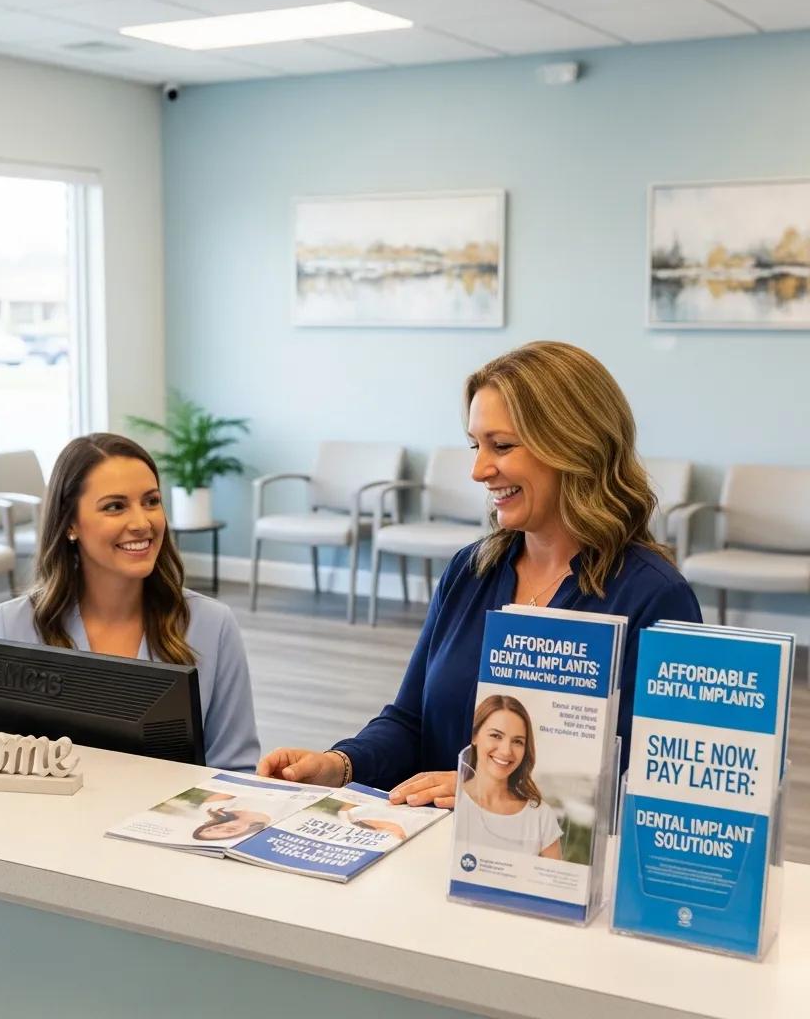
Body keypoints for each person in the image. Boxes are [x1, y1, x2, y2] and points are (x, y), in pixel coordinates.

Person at [258, 341, 702, 805]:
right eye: (475, 445)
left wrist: (489, 791)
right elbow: (411, 721)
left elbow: (651, 785)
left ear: (575, 446)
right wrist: (339, 765)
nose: (478, 470)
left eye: (502, 446)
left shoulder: (655, 597)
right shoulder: (470, 572)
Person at [0, 433, 260, 772]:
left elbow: (236, 770)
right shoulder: (10, 626)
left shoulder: (212, 625)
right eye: (115, 506)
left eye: (151, 501)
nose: (142, 523)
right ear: (70, 523)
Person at [462, 695, 562, 858]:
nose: (506, 751)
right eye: (496, 736)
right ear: (474, 736)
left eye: (517, 741)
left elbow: (555, 881)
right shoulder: (453, 799)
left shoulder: (540, 815)